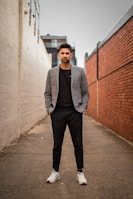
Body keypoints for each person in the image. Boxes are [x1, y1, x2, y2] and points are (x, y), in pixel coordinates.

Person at [44, 43, 90, 185]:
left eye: (67, 53)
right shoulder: (51, 72)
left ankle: (80, 172)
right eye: (62, 53)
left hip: (74, 112)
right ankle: (55, 172)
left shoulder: (80, 71)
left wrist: (82, 108)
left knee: (78, 144)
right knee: (57, 144)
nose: (65, 55)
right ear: (58, 55)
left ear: (71, 55)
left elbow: (86, 92)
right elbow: (47, 93)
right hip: (57, 113)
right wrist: (50, 109)